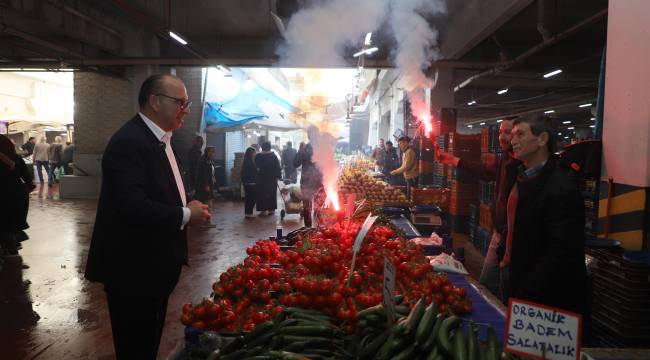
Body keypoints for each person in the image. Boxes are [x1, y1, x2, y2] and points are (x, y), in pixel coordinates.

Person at [84, 74, 211, 359]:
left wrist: (185, 203)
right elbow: (133, 206)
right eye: (180, 102)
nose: (186, 110)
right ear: (154, 101)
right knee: (136, 347)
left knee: (149, 341)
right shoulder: (129, 142)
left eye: (187, 103)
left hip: (154, 267)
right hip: (134, 270)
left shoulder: (161, 139)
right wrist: (186, 214)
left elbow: (159, 191)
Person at [502, 115, 586, 314]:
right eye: (512, 135)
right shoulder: (521, 176)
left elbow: (561, 252)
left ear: (542, 140)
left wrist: (526, 291)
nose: (512, 140)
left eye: (520, 134)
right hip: (517, 273)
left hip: (543, 297)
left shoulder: (562, 189)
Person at [437, 119, 520, 297]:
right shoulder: (505, 159)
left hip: (513, 238)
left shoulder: (522, 166)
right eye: (499, 132)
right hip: (499, 233)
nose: (501, 137)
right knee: (488, 283)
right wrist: (454, 160)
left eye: (508, 132)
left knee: (505, 289)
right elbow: (484, 171)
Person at [0, 135, 32, 256]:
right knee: (12, 225)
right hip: (18, 195)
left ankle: (9, 252)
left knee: (4, 225)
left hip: (4, 196)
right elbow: (28, 179)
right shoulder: (17, 158)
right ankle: (12, 251)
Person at [293, 127, 323, 227]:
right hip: (307, 182)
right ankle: (308, 229)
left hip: (319, 182)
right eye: (310, 134)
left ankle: (319, 230)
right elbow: (295, 163)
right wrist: (300, 151)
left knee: (320, 207)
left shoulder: (323, 147)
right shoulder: (305, 147)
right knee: (307, 208)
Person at [255, 141, 281, 215]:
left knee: (261, 193)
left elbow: (256, 167)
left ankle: (263, 210)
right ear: (270, 148)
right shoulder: (274, 156)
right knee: (271, 193)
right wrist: (278, 176)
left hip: (261, 178)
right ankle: (271, 209)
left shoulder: (258, 156)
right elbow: (277, 168)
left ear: (262, 147)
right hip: (272, 179)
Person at [241, 147, 258, 218]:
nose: (255, 154)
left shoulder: (246, 161)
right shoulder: (250, 162)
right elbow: (253, 172)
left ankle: (248, 213)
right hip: (251, 183)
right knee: (251, 198)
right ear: (251, 153)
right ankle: (249, 213)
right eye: (254, 152)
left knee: (248, 198)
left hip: (247, 183)